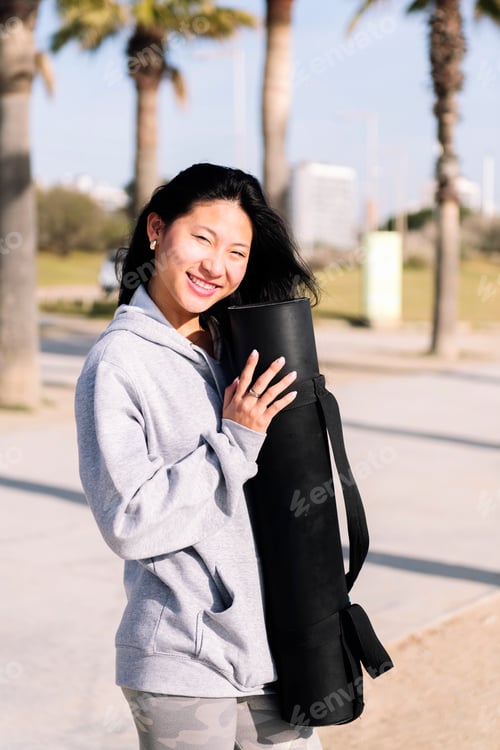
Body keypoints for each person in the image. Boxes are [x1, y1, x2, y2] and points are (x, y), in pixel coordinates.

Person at [75, 163, 323, 749]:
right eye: (203, 239)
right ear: (158, 230)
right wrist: (234, 440)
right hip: (180, 659)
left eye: (237, 252)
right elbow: (130, 522)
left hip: (276, 648)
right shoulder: (118, 363)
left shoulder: (240, 342)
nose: (218, 265)